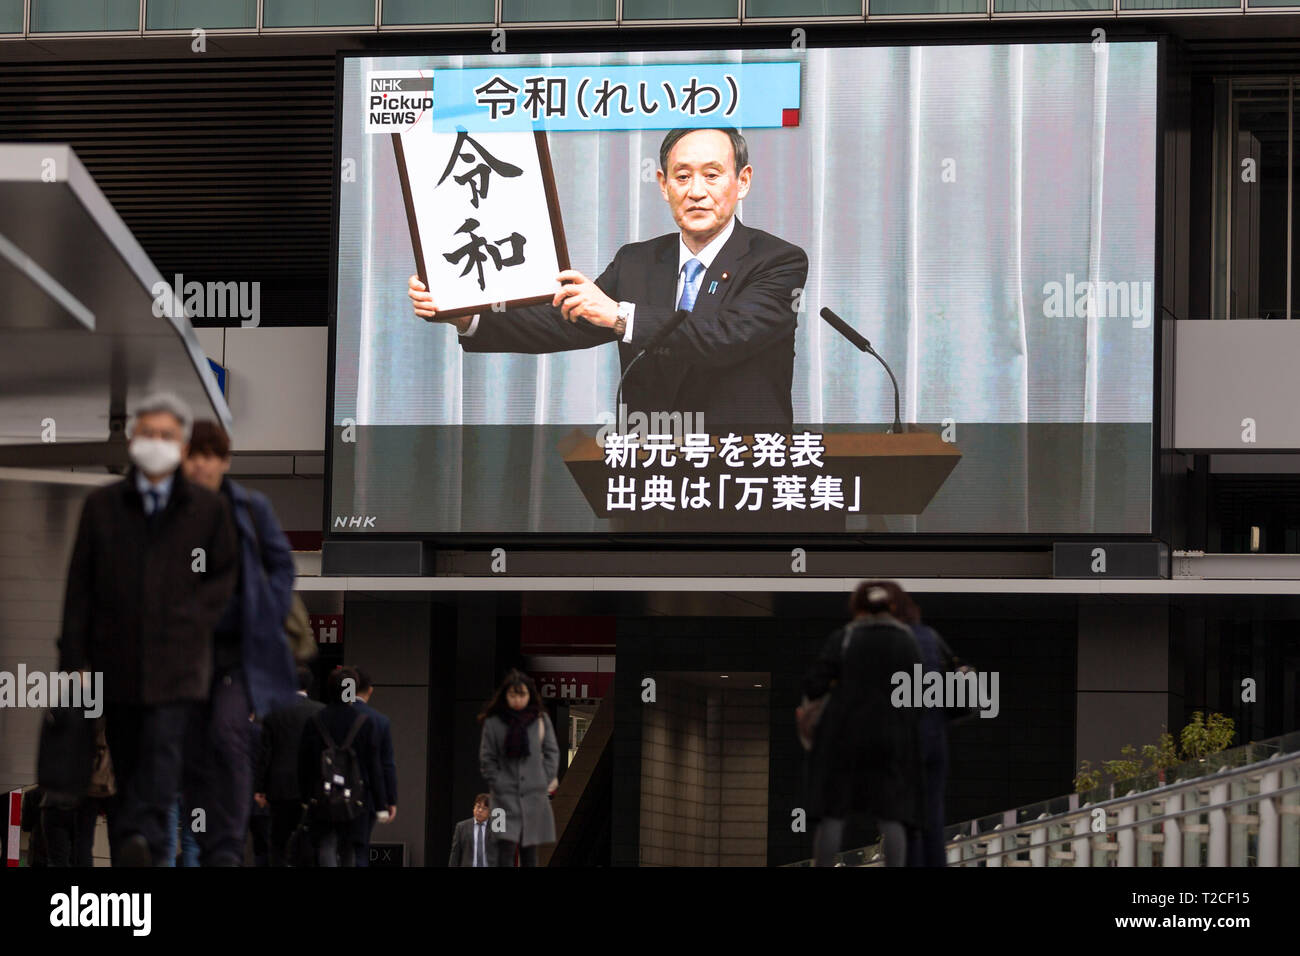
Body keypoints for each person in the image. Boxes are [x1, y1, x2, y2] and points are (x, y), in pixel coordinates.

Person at [410, 126, 810, 429]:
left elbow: (725, 336)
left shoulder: (778, 261)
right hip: (647, 467)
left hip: (744, 472)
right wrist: (467, 314)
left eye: (712, 175)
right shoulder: (637, 260)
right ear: (663, 185)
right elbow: (565, 323)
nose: (696, 191)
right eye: (683, 176)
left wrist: (621, 316)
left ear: (742, 182)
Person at [58, 392, 238, 866]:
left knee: (159, 769)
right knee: (125, 769)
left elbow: (224, 578)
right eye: (147, 434)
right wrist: (71, 664)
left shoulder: (206, 510)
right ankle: (131, 853)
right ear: (133, 441)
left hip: (178, 674)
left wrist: (193, 618)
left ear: (180, 447)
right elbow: (80, 588)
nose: (155, 443)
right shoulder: (103, 506)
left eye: (165, 435)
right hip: (118, 670)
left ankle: (148, 850)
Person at [179, 419, 298, 865]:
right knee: (193, 748)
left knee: (228, 733)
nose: (202, 465)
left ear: (224, 461)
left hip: (236, 653)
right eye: (194, 455)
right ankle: (204, 840)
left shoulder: (250, 507)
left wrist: (269, 610)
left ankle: (226, 847)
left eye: (210, 456)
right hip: (186, 655)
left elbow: (281, 566)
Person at [802, 580, 925, 868]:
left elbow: (814, 683)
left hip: (842, 735)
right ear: (891, 606)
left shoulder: (843, 638)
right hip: (890, 735)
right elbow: (919, 693)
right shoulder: (906, 640)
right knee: (891, 815)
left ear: (858, 606)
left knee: (833, 814)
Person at [298, 666, 388, 867]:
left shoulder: (315, 720)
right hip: (355, 796)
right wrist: (381, 804)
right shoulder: (365, 721)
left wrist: (305, 797)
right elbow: (374, 765)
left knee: (326, 843)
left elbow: (304, 762)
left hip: (323, 793)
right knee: (349, 847)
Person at [478, 669, 559, 868]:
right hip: (503, 797)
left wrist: (543, 779)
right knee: (503, 850)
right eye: (513, 695)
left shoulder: (540, 720)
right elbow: (487, 758)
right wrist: (498, 782)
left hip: (532, 796)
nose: (517, 700)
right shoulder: (494, 722)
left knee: (529, 851)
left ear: (529, 695)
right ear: (505, 695)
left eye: (522, 694)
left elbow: (552, 752)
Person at [907, 619, 968, 869]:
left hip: (901, 743)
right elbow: (958, 667)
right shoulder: (931, 637)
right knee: (932, 816)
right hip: (935, 736)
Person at [256, 665, 324, 866]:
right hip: (313, 787)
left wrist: (260, 789)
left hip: (280, 787)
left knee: (279, 840)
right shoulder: (320, 711)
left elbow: (265, 754)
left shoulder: (273, 713)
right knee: (310, 841)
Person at [350, 668, 397, 867]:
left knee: (331, 846)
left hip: (331, 791)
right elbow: (386, 764)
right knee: (360, 848)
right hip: (365, 793)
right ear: (370, 690)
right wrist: (389, 799)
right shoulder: (379, 721)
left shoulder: (327, 715)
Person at [449, 794, 498, 867]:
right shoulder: (461, 827)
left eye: (484, 808)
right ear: (474, 808)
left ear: (490, 812)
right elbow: (455, 854)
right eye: (478, 807)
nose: (480, 810)